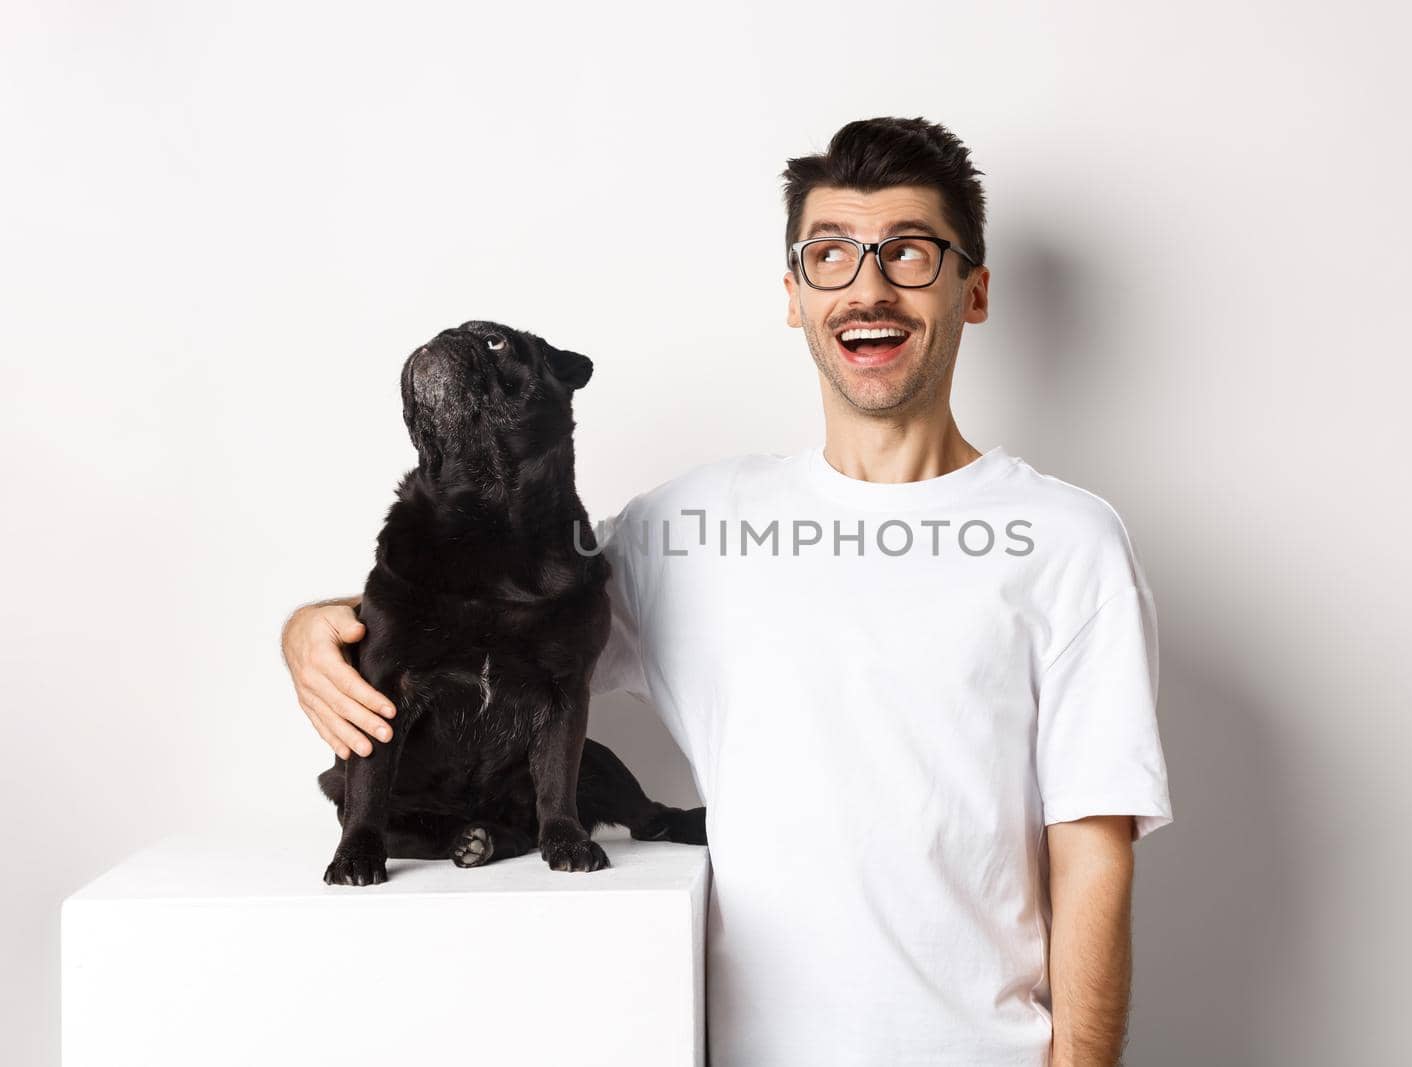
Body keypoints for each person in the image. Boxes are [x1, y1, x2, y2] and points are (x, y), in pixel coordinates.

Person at [281, 115, 1172, 1067]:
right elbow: (485, 619)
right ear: (795, 295)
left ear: (974, 289)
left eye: (909, 253)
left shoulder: (1068, 539)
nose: (868, 286)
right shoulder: (688, 525)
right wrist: (307, 626)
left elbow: (1093, 852)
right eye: (831, 253)